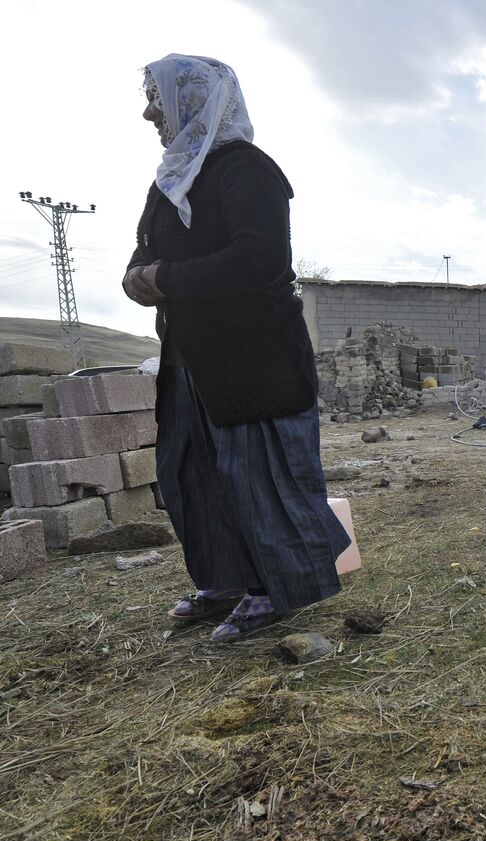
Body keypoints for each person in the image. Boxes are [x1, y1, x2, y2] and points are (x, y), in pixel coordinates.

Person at [122, 54, 349, 641]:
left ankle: (274, 589)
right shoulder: (171, 178)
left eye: (159, 98)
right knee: (194, 473)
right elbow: (144, 250)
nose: (149, 111)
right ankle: (223, 580)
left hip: (254, 362)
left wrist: (167, 278)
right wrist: (137, 278)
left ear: (196, 101)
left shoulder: (246, 170)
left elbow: (260, 260)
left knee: (259, 477)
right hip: (191, 360)